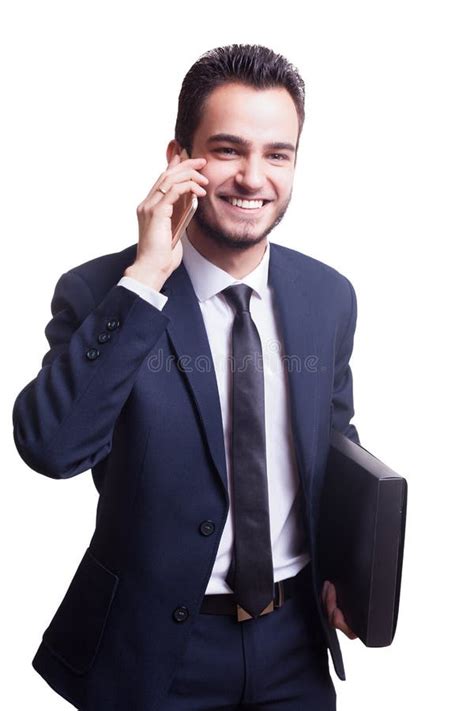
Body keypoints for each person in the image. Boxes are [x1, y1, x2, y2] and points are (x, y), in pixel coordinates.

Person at [12, 43, 360, 710]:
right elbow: (51, 448)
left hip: (295, 645)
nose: (252, 177)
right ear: (180, 160)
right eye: (227, 149)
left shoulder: (328, 295)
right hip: (152, 654)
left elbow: (334, 439)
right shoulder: (100, 292)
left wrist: (346, 567)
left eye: (277, 154)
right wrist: (145, 277)